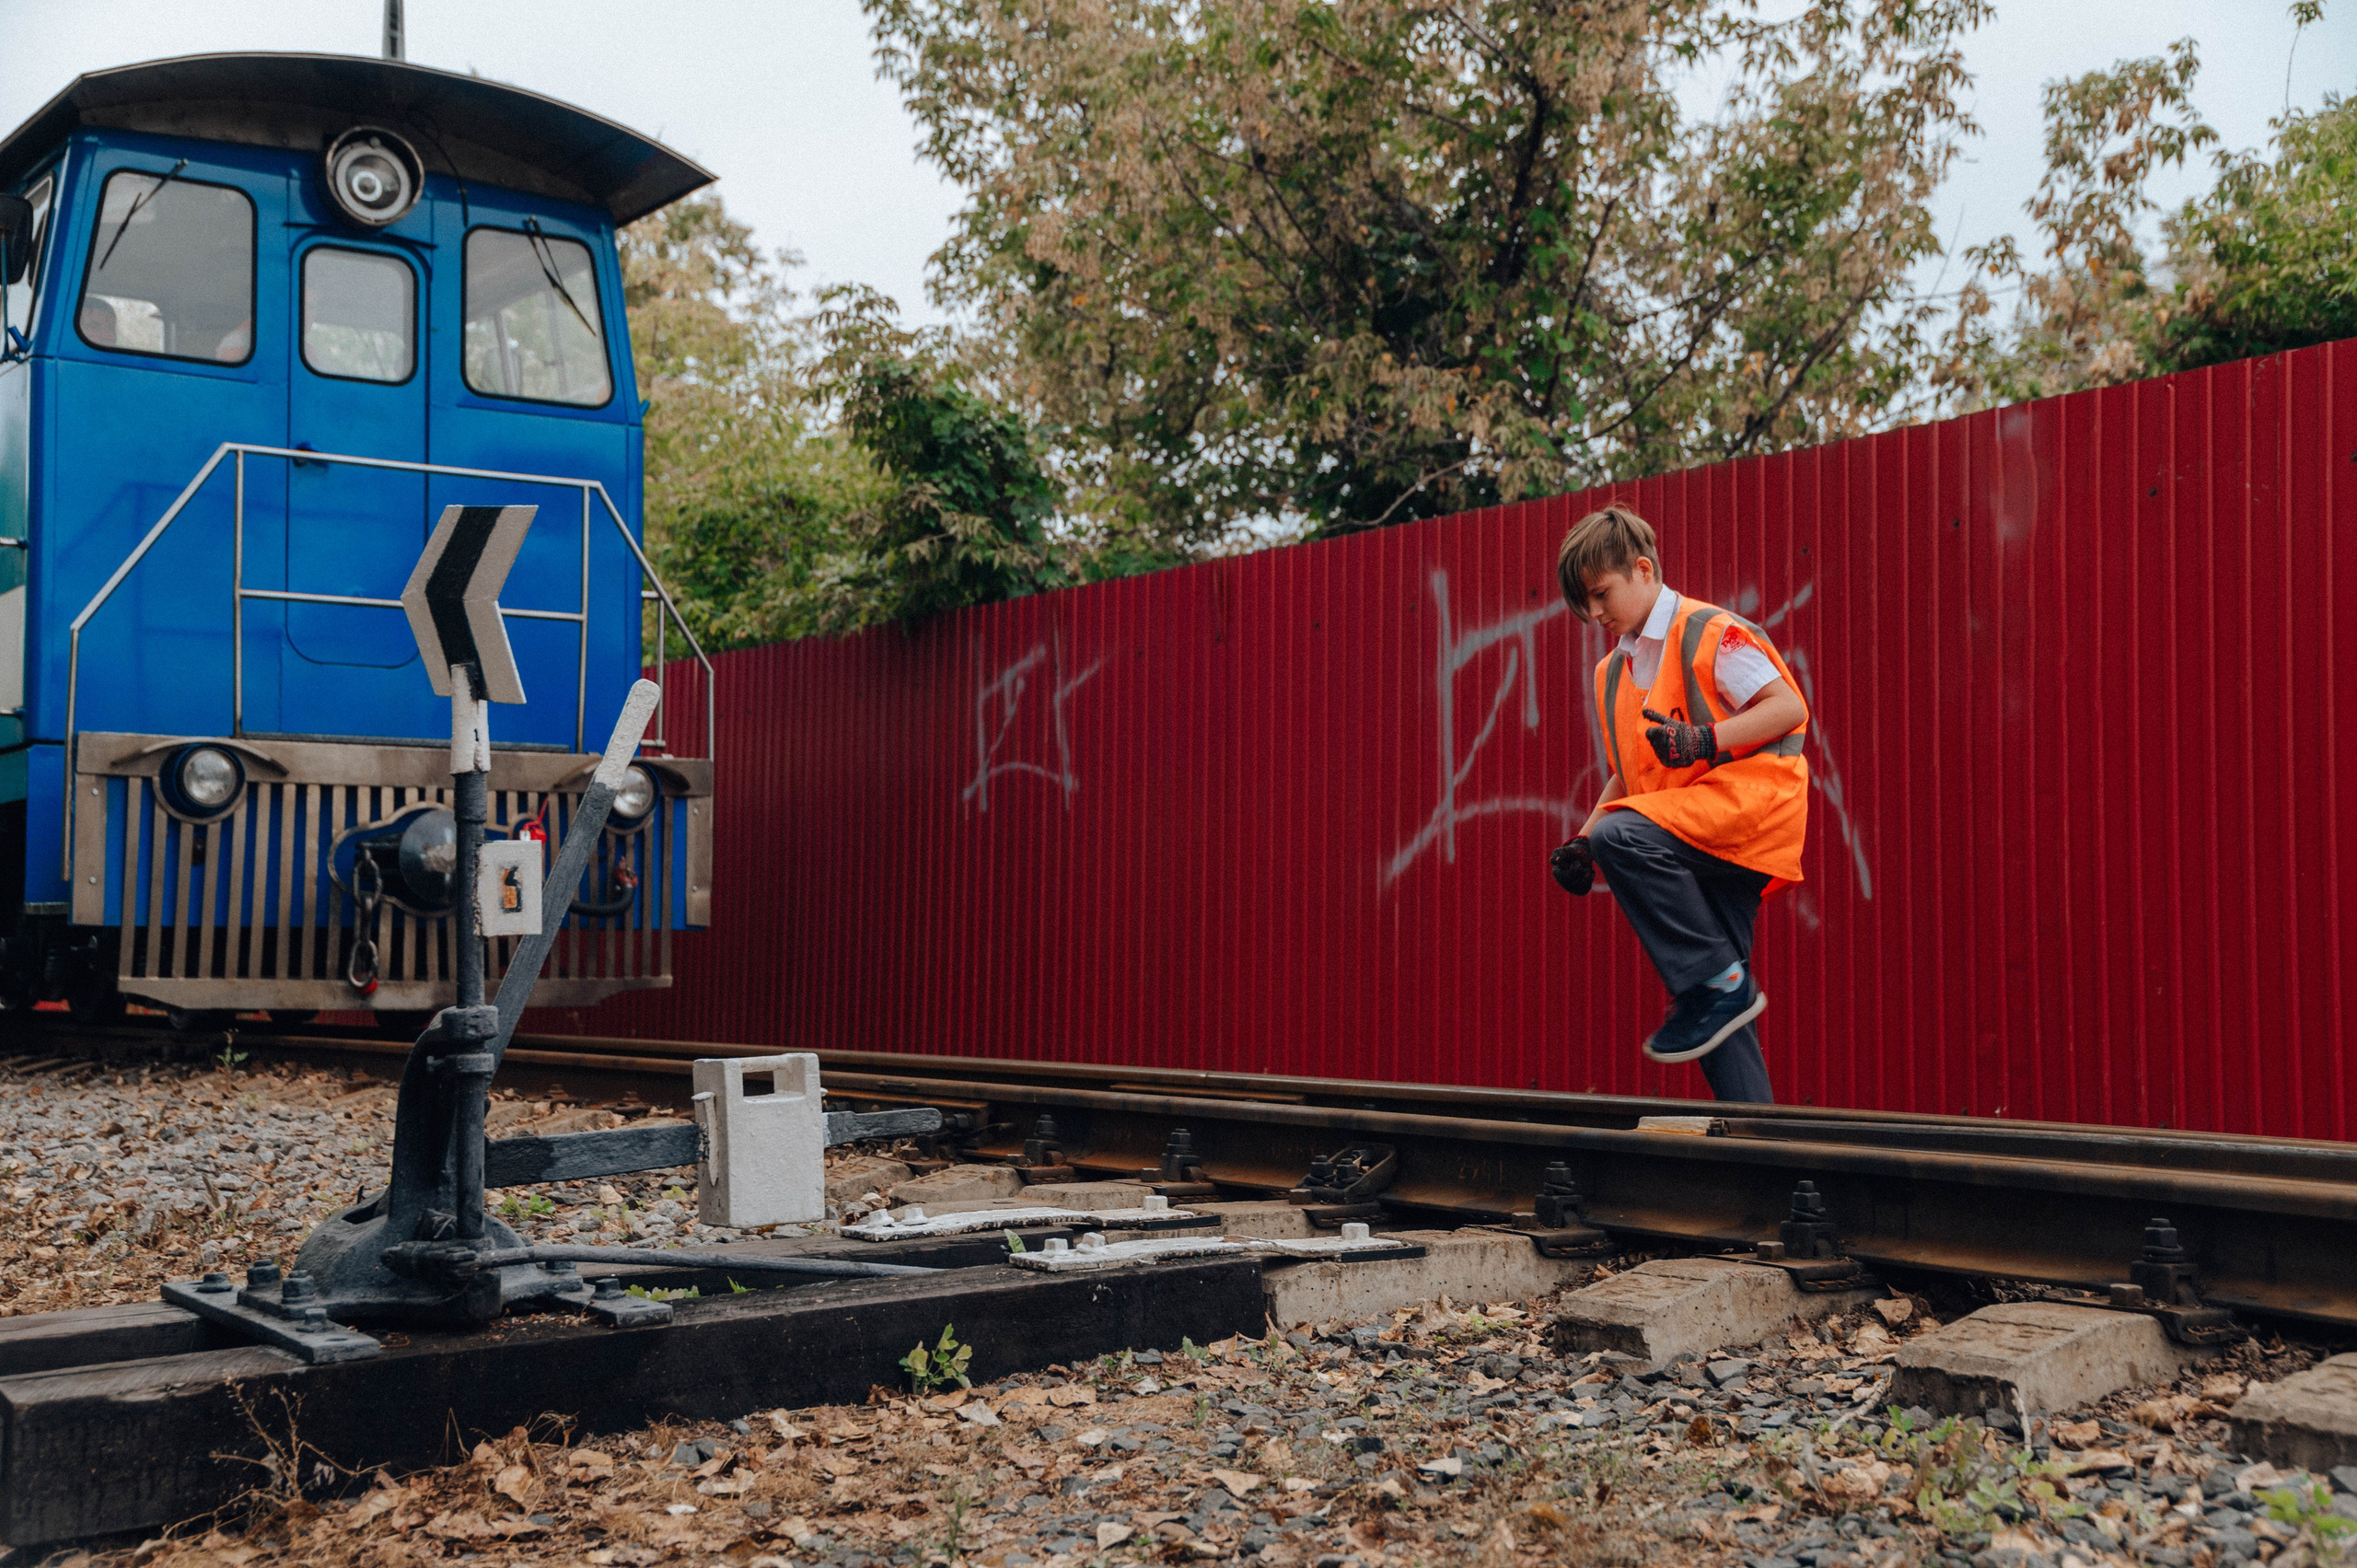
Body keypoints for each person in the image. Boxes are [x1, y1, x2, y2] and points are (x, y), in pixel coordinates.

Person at [1548, 505, 1810, 1103]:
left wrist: (1704, 739)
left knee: (1626, 840)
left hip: (1748, 813)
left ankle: (1718, 982)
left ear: (1643, 569)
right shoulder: (1611, 672)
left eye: (1600, 593)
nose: (1594, 614)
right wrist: (1582, 839)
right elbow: (1627, 774)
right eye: (1582, 604)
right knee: (1717, 1017)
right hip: (1689, 833)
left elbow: (1788, 707)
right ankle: (1758, 1148)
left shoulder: (1710, 632)